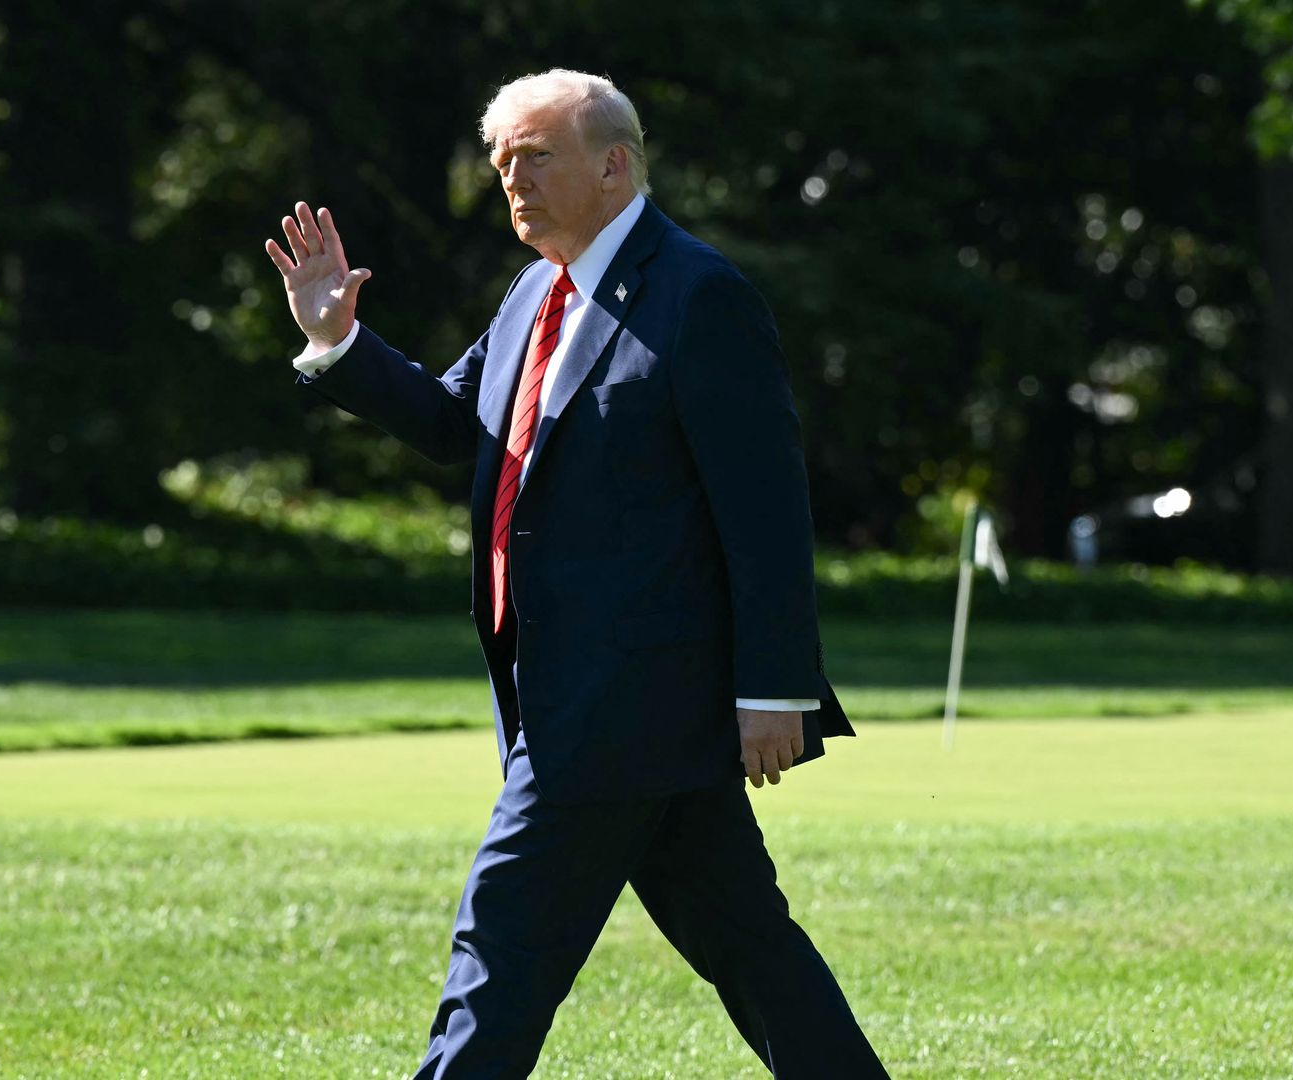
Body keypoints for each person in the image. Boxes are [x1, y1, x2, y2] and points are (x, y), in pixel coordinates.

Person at [265, 68, 889, 1080]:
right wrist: (337, 338)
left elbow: (766, 513)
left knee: (500, 949)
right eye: (502, 161)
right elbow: (449, 426)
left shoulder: (701, 294)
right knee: (752, 950)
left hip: (614, 711)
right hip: (582, 704)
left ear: (615, 165)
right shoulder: (535, 293)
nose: (513, 180)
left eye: (536, 156)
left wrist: (773, 690)